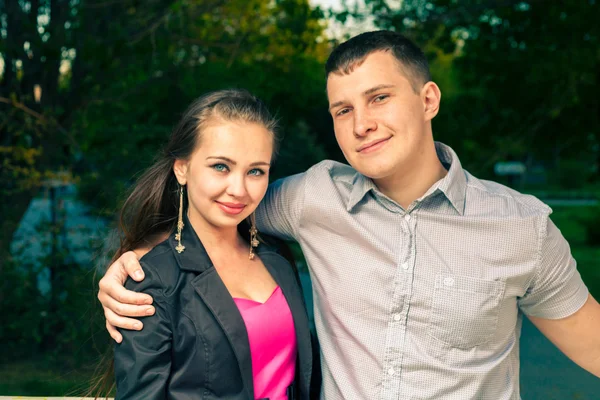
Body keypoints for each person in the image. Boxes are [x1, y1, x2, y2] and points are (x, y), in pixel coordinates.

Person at [98, 31, 600, 399]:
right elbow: (221, 204)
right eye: (342, 110)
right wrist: (140, 261)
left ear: (428, 99)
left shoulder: (521, 227)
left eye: (379, 98)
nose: (362, 124)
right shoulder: (313, 198)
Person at [104, 89, 314, 399]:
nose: (239, 189)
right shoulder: (151, 279)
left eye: (255, 171)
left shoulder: (277, 259)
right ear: (182, 168)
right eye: (221, 167)